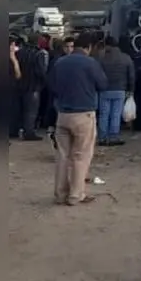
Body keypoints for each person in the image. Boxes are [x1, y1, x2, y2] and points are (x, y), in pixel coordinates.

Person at [49, 32, 107, 205]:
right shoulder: (90, 63)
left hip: (62, 114)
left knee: (62, 156)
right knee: (80, 156)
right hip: (84, 114)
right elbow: (103, 84)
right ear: (88, 47)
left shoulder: (60, 62)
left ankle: (60, 194)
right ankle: (76, 195)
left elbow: (51, 85)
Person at [96, 36, 135, 146]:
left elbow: (96, 73)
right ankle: (114, 137)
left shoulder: (101, 58)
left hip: (104, 89)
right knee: (116, 114)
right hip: (120, 89)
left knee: (104, 114)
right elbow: (131, 75)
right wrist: (131, 89)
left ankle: (102, 137)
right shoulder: (125, 57)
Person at [11, 33, 48, 141]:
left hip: (18, 85)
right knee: (31, 111)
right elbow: (40, 71)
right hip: (33, 86)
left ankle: (13, 131)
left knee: (17, 110)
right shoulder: (38, 54)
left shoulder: (19, 52)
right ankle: (29, 133)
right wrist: (44, 82)